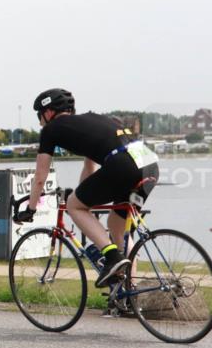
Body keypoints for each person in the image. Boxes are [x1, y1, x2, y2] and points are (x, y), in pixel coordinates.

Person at [16, 89, 159, 291]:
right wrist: (84, 197)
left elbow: (40, 177)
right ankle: (129, 294)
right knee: (118, 229)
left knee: (74, 207)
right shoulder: (92, 120)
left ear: (48, 112)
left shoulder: (51, 130)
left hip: (123, 165)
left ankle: (111, 256)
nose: (40, 122)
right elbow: (89, 167)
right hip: (148, 164)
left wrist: (30, 209)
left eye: (39, 115)